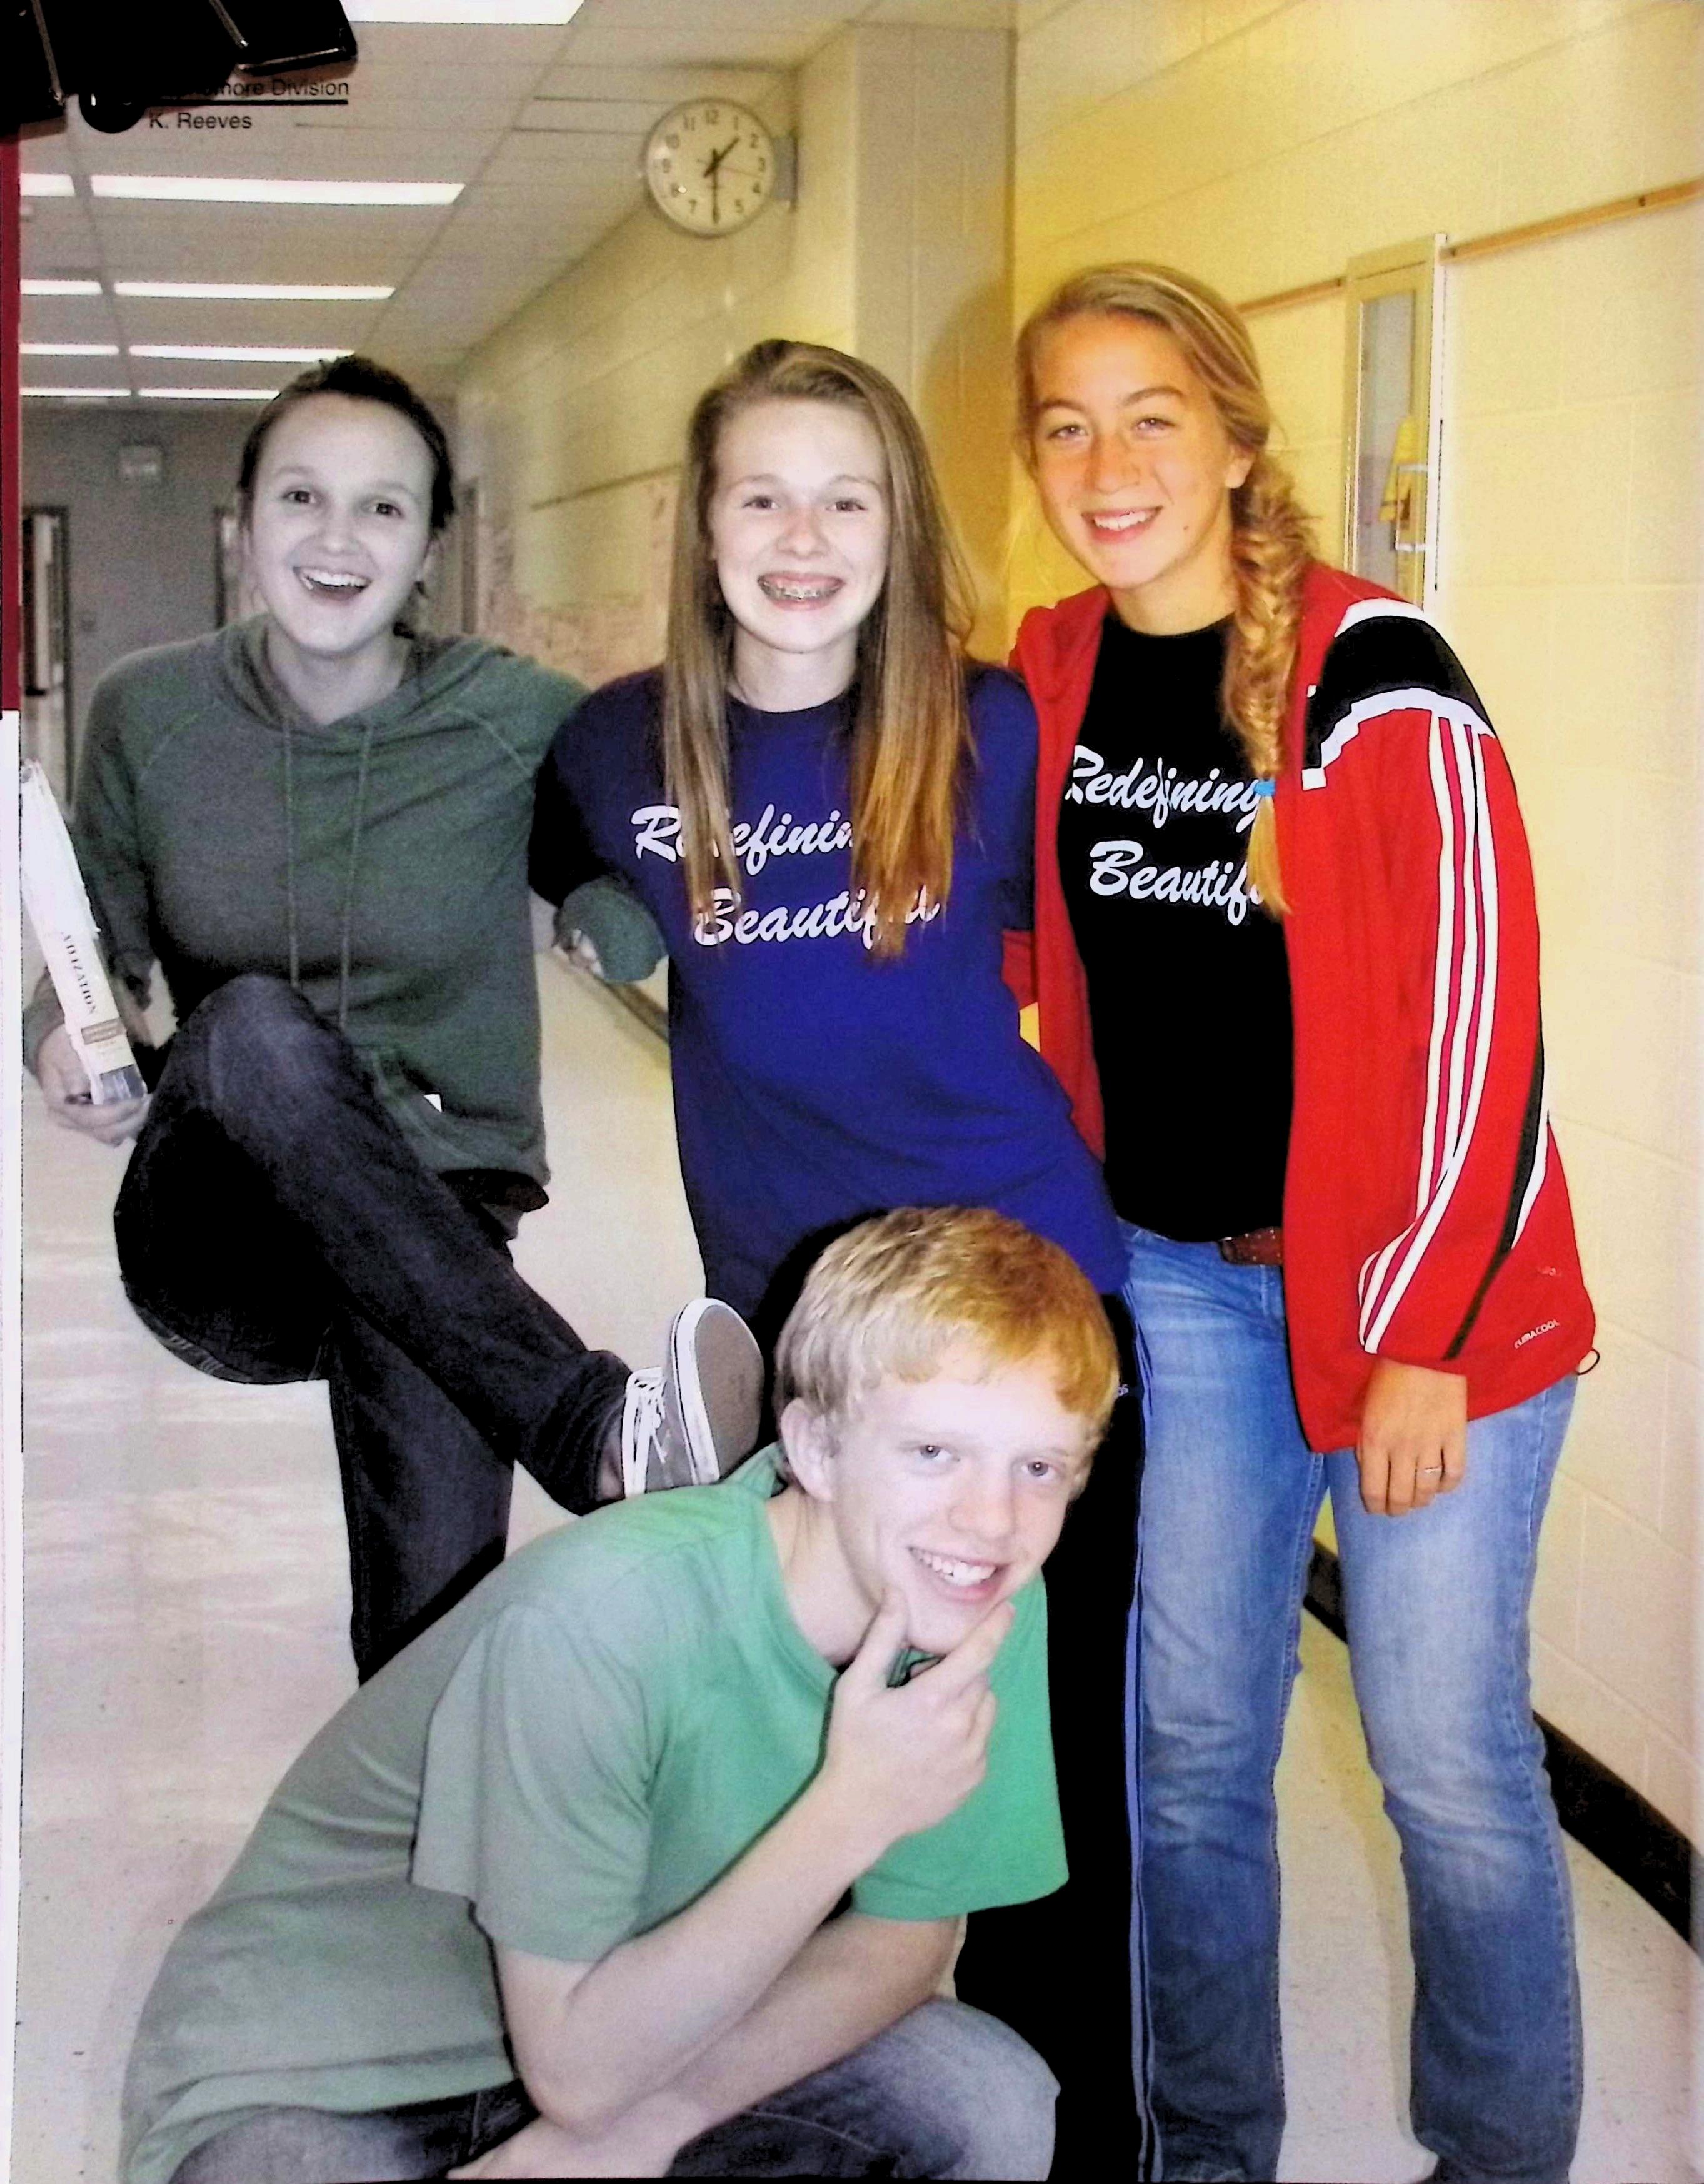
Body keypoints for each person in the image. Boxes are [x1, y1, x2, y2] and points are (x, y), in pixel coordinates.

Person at [1007, 262, 1596, 2184]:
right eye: (1065, 425)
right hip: (1182, 1287)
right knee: (1185, 1748)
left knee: (1440, 1758)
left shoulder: (1376, 671)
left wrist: (1420, 1336)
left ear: (1234, 436)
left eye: (1150, 416)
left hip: (1433, 1305)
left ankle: (1496, 2160)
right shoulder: (1052, 669)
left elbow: (1481, 1020)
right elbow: (1012, 941)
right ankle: (1206, 2152)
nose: (1106, 465)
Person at [530, 339, 1146, 2168]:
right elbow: (548, 867)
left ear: (899, 525)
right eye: (762, 497)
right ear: (701, 522)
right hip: (801, 1339)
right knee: (798, 1736)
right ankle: (803, 2107)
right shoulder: (614, 744)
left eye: (844, 499)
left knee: (1036, 1768)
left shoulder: (990, 728)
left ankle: (1074, 2136)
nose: (802, 540)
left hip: (1024, 1306)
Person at [22, 355, 762, 1682]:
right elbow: (88, 948)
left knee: (435, 1639)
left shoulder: (515, 718)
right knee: (253, 1024)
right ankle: (589, 1424)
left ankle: (420, 1795)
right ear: (246, 525)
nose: (338, 538)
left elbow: (614, 862)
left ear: (428, 548)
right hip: (222, 1218)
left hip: (437, 1202)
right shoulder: (152, 711)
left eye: (382, 508)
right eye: (302, 497)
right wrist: (60, 1035)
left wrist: (617, 912)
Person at [119, 1206, 1117, 2184]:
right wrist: (852, 1809)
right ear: (814, 1448)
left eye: (1038, 1466)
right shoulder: (602, 1615)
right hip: (335, 2073)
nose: (990, 1518)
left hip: (642, 2038)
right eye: (933, 1452)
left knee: (982, 2098)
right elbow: (578, 2073)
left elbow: (909, 1933)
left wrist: (660, 2122)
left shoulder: (970, 1594)